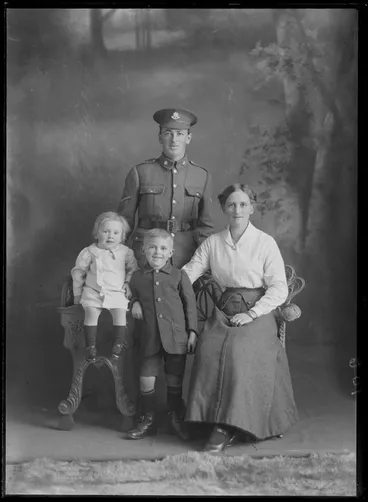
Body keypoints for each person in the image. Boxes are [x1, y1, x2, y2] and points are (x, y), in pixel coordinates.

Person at [182, 184, 299, 452]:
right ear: (224, 208)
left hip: (258, 312)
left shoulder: (264, 242)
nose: (237, 210)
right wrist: (161, 284)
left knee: (239, 349)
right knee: (208, 347)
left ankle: (230, 425)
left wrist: (252, 313)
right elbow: (189, 272)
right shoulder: (213, 242)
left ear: (252, 208)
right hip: (223, 310)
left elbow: (279, 287)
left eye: (243, 204)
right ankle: (207, 419)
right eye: (232, 205)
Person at [117, 108, 214, 269]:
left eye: (180, 134)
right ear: (160, 137)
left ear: (188, 138)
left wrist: (207, 263)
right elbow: (123, 222)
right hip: (145, 254)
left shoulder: (202, 176)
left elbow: (206, 228)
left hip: (186, 256)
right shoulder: (140, 172)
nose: (174, 140)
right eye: (168, 133)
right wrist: (114, 258)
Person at [125, 229, 198, 441]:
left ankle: (175, 418)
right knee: (146, 379)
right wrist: (134, 302)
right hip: (149, 337)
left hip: (176, 338)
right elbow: (130, 294)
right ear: (143, 250)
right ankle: (148, 418)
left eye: (163, 248)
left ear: (171, 252)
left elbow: (190, 306)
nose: (158, 252)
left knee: (175, 380)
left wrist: (192, 331)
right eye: (152, 247)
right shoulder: (137, 277)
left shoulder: (179, 275)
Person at [71, 212, 139, 362]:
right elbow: (79, 273)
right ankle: (91, 346)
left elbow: (133, 269)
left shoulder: (125, 252)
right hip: (93, 291)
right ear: (96, 233)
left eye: (116, 233)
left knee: (120, 313)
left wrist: (127, 282)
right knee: (91, 312)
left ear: (122, 236)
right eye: (105, 231)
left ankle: (118, 345)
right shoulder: (90, 252)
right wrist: (77, 293)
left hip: (117, 292)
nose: (110, 236)